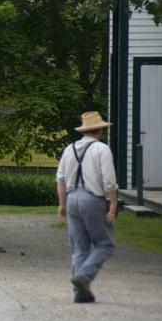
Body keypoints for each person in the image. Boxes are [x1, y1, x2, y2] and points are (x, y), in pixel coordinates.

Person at [56, 111, 118, 304]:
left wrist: (62, 203)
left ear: (85, 130)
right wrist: (113, 205)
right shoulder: (102, 149)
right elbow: (109, 181)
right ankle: (84, 277)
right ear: (99, 130)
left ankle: (80, 293)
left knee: (79, 248)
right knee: (105, 244)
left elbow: (60, 178)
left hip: (72, 198)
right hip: (93, 199)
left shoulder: (69, 149)